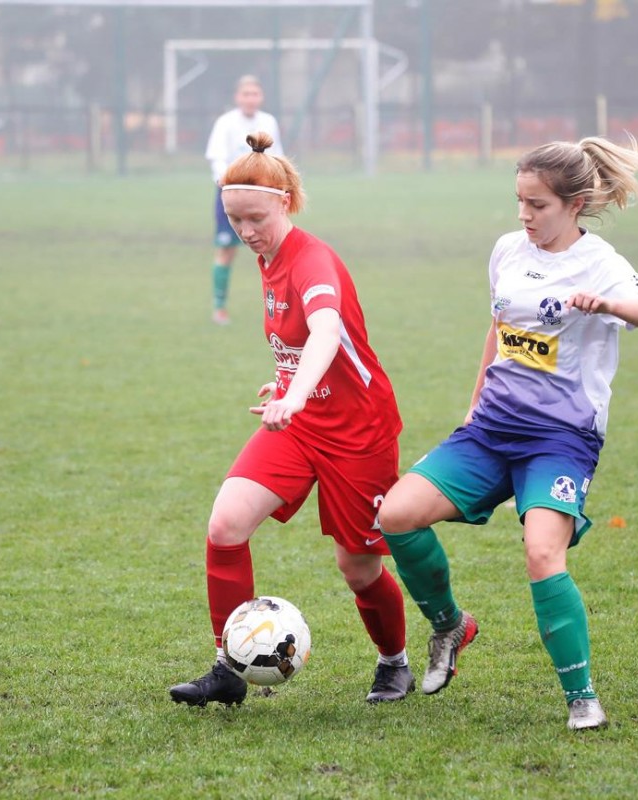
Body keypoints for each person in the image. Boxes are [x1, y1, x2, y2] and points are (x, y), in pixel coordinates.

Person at [377, 138, 638, 731]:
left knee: (542, 553)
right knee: (397, 514)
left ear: (574, 204)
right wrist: (473, 404)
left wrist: (606, 303)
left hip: (560, 438)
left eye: (537, 205)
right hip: (492, 427)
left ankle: (582, 697)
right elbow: (499, 328)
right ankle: (450, 627)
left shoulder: (600, 262)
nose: (524, 215)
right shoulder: (508, 250)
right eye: (520, 201)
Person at [170, 132, 414, 707]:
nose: (246, 231)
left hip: (357, 431)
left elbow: (326, 329)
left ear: (284, 201)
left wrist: (297, 392)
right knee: (225, 525)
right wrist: (284, 382)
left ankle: (395, 662)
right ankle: (228, 668)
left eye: (256, 218)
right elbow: (301, 343)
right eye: (235, 219)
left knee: (358, 567)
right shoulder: (267, 257)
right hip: (298, 422)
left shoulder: (313, 261)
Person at [204, 75, 283, 325]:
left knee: (274, 249)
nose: (250, 98)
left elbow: (276, 157)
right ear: (237, 97)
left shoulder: (268, 122)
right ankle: (219, 307)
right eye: (246, 94)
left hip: (262, 195)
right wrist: (227, 182)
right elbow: (216, 157)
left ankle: (280, 306)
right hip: (232, 195)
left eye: (255, 94)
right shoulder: (226, 123)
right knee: (226, 249)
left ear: (261, 97)